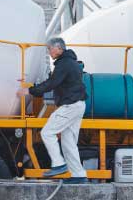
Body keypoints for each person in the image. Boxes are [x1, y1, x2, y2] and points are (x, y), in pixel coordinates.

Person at [17, 37, 88, 183]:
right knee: (68, 142)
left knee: (47, 132)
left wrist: (30, 91)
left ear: (58, 48)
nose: (49, 52)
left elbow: (51, 83)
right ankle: (79, 175)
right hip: (77, 105)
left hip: (71, 105)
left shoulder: (64, 64)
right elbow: (53, 82)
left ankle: (58, 164)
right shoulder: (70, 62)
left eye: (50, 49)